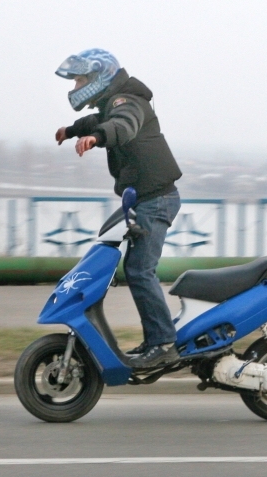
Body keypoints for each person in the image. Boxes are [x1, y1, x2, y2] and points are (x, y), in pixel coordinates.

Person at [54, 48, 183, 369]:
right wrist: (73, 130)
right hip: (144, 200)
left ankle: (164, 343)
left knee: (140, 270)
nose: (75, 87)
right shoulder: (112, 103)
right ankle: (156, 338)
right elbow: (99, 119)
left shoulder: (128, 103)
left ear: (101, 78)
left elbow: (121, 126)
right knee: (120, 258)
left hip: (156, 200)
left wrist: (97, 138)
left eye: (80, 80)